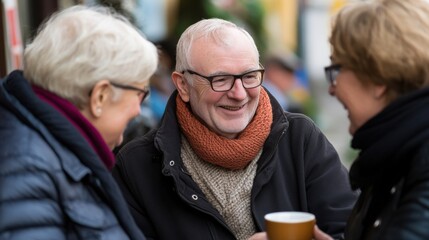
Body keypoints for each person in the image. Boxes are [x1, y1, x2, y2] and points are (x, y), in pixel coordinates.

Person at [112, 18, 357, 240]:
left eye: (249, 76)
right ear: (183, 85)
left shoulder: (300, 139)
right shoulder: (138, 165)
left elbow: (349, 230)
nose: (239, 94)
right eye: (220, 80)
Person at [0, 5, 158, 239]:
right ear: (100, 96)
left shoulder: (48, 152)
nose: (138, 110)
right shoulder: (30, 167)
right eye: (140, 94)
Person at [314, 0, 429, 239]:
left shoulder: (417, 159)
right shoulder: (394, 150)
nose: (331, 89)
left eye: (336, 69)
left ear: (378, 77)